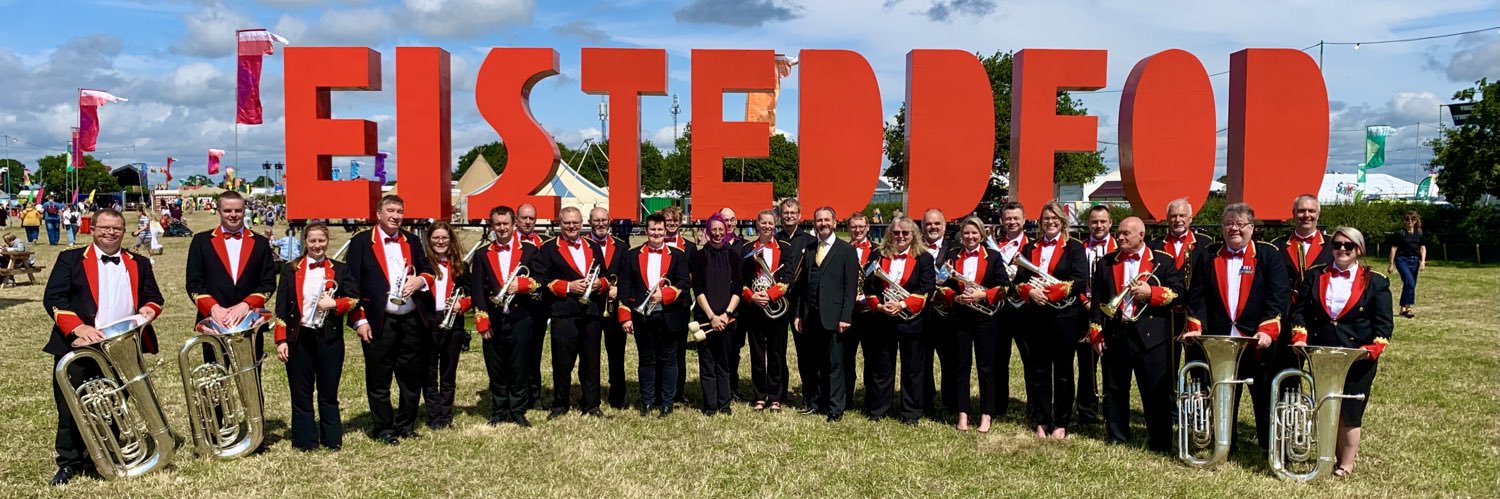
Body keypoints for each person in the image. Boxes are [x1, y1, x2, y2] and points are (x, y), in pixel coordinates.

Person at [42, 208, 165, 485]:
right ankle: (70, 462)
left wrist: (147, 310)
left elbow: (154, 298)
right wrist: (79, 327)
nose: (110, 233)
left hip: (120, 347)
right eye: (104, 228)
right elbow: (54, 298)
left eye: (116, 229)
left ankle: (108, 454)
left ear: (124, 231)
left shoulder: (140, 262)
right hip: (78, 343)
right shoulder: (70, 259)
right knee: (71, 408)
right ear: (93, 228)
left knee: (113, 405)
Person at [1183, 202, 1289, 453]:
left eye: (1240, 224)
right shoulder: (1208, 254)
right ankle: (1224, 445)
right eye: (1229, 223)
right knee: (1222, 396)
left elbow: (1278, 296)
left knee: (1263, 397)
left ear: (1252, 228)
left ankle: (1268, 447)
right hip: (1220, 341)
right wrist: (1197, 327)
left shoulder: (1269, 254)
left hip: (1257, 341)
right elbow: (1196, 297)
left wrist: (1267, 331)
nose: (1234, 229)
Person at [1290, 226, 1392, 477]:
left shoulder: (1376, 281)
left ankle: (1345, 463)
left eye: (1348, 246)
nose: (1342, 250)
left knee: (1350, 410)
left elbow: (1384, 323)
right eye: (1337, 245)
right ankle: (1325, 456)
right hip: (1321, 352)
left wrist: (1371, 349)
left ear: (1359, 249)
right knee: (1324, 404)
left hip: (1357, 356)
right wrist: (1300, 336)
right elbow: (1300, 311)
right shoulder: (1315, 275)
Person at [1086, 217, 1184, 452]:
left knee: (1155, 390)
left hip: (1152, 336)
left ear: (1141, 235)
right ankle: (1117, 435)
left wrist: (1152, 292)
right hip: (1116, 332)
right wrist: (1096, 334)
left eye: (1125, 234)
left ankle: (1160, 441)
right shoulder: (1105, 263)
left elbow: (1180, 293)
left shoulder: (1163, 261)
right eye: (1118, 233)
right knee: (1115, 388)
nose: (1119, 237)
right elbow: (1097, 302)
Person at [345, 195, 435, 444]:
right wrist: (359, 321)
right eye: (391, 210)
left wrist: (420, 280)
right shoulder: (361, 242)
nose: (396, 216)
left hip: (410, 319)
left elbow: (429, 270)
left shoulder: (413, 240)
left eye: (400, 211)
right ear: (379, 214)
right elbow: (350, 285)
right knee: (378, 376)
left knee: (411, 376)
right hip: (378, 320)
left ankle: (406, 424)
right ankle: (383, 428)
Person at [185, 191, 278, 419]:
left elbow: (267, 283)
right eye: (227, 210)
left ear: (244, 210)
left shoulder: (261, 243)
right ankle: (217, 432)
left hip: (248, 323)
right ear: (219, 211)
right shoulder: (201, 241)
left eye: (238, 210)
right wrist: (213, 308)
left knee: (251, 379)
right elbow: (194, 282)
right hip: (214, 322)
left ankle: (256, 431)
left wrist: (245, 305)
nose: (233, 215)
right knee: (214, 379)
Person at [272, 223, 361, 451]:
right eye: (312, 241)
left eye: (321, 240)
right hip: (299, 337)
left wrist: (335, 303)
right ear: (305, 243)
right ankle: (304, 441)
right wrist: (281, 340)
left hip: (329, 338)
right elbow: (281, 308)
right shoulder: (290, 269)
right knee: (300, 392)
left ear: (327, 241)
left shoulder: (340, 269)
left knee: (328, 391)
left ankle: (332, 439)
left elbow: (354, 298)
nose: (317, 245)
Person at [1013, 201, 1089, 439]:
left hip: (1065, 316)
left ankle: (1061, 421)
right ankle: (1041, 419)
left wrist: (1052, 291)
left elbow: (1079, 279)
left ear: (1062, 221)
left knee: (1064, 371)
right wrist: (1030, 292)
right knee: (1039, 370)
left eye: (1055, 218)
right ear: (1040, 221)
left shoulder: (1074, 247)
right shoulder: (1029, 248)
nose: (1050, 222)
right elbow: (1018, 281)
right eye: (1046, 218)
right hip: (1036, 316)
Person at [534, 206, 610, 419]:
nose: (571, 226)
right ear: (560, 224)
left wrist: (599, 284)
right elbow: (541, 279)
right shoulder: (548, 249)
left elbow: (605, 274)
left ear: (582, 223)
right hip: (564, 313)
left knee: (591, 361)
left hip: (591, 312)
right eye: (567, 223)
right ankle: (560, 404)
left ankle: (591, 405)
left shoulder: (593, 246)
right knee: (562, 362)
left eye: (575, 222)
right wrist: (568, 287)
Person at [934, 217, 1009, 432]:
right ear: (961, 235)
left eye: (974, 233)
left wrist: (982, 293)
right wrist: (954, 298)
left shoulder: (993, 256)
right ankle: (963, 413)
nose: (970, 237)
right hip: (960, 318)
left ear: (981, 235)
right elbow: (941, 286)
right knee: (960, 366)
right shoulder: (952, 256)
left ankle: (986, 414)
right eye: (966, 233)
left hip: (986, 319)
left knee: (987, 368)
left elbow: (1004, 287)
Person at [470, 205, 542, 427]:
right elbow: (477, 289)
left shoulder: (530, 251)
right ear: (492, 226)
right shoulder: (482, 254)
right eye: (497, 224)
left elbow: (540, 279)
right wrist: (482, 320)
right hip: (494, 317)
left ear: (514, 225)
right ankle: (499, 410)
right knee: (496, 366)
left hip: (521, 317)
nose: (502, 228)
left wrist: (521, 284)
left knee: (519, 365)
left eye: (506, 224)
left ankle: (518, 410)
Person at [861, 216, 934, 425]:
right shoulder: (877, 255)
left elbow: (926, 287)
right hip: (883, 319)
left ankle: (910, 412)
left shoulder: (924, 258)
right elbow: (869, 286)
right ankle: (878, 409)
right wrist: (880, 306)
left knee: (912, 368)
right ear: (889, 234)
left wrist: (902, 304)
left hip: (912, 319)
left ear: (913, 235)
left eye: (905, 233)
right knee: (881, 367)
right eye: (896, 232)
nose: (900, 236)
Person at [618, 213, 692, 416]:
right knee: (646, 359)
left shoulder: (678, 255)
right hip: (641, 316)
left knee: (669, 359)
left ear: (665, 230)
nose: (657, 234)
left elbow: (684, 283)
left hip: (669, 314)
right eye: (653, 230)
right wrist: (624, 317)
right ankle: (647, 401)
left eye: (660, 230)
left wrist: (665, 295)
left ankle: (667, 402)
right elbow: (625, 287)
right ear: (646, 231)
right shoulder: (632, 255)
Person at [792, 206, 860, 422]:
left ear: (835, 221)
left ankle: (835, 408)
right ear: (815, 223)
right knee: (814, 362)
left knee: (835, 365)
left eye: (826, 220)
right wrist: (799, 314)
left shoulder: (846, 251)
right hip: (811, 316)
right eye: (819, 220)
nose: (823, 223)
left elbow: (851, 288)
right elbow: (803, 285)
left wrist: (845, 317)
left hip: (834, 317)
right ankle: (816, 403)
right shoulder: (810, 248)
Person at [1147, 197, 1214, 404]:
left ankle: (1198, 405)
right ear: (1167, 219)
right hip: (1166, 314)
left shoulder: (1206, 244)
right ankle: (1169, 407)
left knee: (1198, 362)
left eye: (1182, 215)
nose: (1177, 220)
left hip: (1195, 313)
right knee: (1167, 364)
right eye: (1173, 216)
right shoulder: (1155, 245)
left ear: (1190, 218)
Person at [420, 222, 473, 430]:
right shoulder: (423, 264)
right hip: (428, 322)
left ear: (451, 241)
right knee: (429, 372)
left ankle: (446, 415)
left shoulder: (461, 266)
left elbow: (471, 294)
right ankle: (434, 415)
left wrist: (462, 304)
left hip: (453, 322)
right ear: (429, 241)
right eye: (436, 238)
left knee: (449, 372)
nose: (440, 242)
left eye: (444, 238)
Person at [741, 209, 795, 412]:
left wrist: (770, 295)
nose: (767, 226)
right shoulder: (747, 248)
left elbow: (788, 277)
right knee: (756, 353)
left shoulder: (785, 248)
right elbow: (741, 279)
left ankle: (775, 396)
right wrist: (752, 296)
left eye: (771, 223)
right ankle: (759, 395)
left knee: (776, 353)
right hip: (754, 307)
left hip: (777, 308)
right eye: (763, 223)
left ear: (776, 225)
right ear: (757, 224)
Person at [776, 198, 819, 412]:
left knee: (805, 352)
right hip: (777, 303)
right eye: (785, 212)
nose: (789, 216)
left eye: (793, 212)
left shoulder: (811, 242)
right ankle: (778, 393)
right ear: (780, 215)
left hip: (801, 303)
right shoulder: (774, 240)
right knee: (777, 349)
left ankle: (810, 396)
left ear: (800, 215)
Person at [1077, 205, 1116, 425]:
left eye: (1102, 221)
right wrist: (1085, 302)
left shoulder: (1119, 247)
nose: (1098, 226)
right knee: (1086, 364)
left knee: (1111, 365)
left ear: (1110, 223)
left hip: (1111, 314)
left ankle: (1112, 410)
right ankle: (1087, 411)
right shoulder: (1080, 248)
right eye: (1094, 222)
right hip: (1084, 312)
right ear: (1088, 224)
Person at [589, 207, 629, 410]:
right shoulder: (583, 245)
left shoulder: (621, 246)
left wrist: (619, 288)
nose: (600, 223)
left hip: (613, 308)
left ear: (610, 221)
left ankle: (617, 396)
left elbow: (628, 273)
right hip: (590, 307)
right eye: (596, 220)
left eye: (604, 220)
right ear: (590, 222)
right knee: (590, 355)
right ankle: (591, 397)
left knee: (616, 354)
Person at [991, 202, 1029, 418]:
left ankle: (1033, 407)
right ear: (1002, 221)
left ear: (1023, 220)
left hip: (1025, 310)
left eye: (1016, 218)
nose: (1012, 222)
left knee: (1031, 361)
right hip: (1001, 309)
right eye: (1008, 218)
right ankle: (998, 407)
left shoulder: (1032, 246)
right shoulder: (994, 247)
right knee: (998, 360)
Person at [918, 208, 957, 415]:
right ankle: (925, 401)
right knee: (922, 360)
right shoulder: (913, 249)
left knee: (950, 360)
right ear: (922, 227)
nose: (932, 227)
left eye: (937, 224)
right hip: (921, 313)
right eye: (928, 224)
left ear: (945, 225)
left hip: (947, 314)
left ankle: (951, 402)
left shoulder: (955, 249)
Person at [839, 213, 876, 415]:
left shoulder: (879, 251)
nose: (858, 230)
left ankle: (872, 401)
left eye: (861, 226)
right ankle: (846, 398)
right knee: (846, 358)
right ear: (848, 228)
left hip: (870, 312)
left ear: (868, 227)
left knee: (871, 359)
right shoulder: (842, 250)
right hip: (848, 312)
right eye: (853, 227)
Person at [660, 205, 697, 405]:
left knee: (679, 351)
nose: (671, 224)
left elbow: (692, 276)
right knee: (659, 349)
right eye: (667, 221)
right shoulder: (654, 244)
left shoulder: (690, 247)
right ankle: (660, 390)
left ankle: (677, 392)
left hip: (680, 304)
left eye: (675, 220)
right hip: (656, 303)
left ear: (680, 222)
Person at [514, 202, 548, 409]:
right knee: (518, 352)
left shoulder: (543, 242)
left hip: (538, 306)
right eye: (524, 218)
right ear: (516, 219)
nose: (528, 222)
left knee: (535, 351)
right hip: (516, 305)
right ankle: (518, 394)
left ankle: (534, 396)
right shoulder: (508, 241)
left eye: (532, 218)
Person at [1387, 211, 1427, 318]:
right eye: (1407, 219)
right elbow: (1393, 248)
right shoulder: (1400, 233)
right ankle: (1408, 308)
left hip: (1414, 261)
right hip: (1402, 260)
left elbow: (1422, 247)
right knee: (1410, 282)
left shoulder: (1419, 233)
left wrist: (1423, 261)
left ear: (1415, 221)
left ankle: (1403, 308)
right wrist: (1391, 264)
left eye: (1412, 219)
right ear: (1404, 221)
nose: (1410, 221)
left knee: (1410, 284)